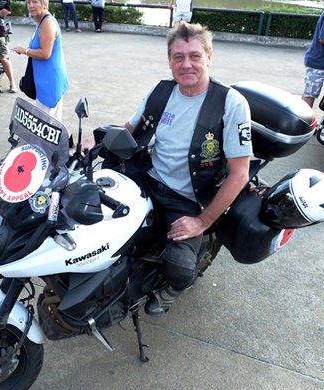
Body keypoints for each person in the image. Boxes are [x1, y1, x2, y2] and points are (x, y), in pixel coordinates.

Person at [96, 22, 252, 315]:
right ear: (169, 60)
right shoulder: (161, 90)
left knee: (179, 268)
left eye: (195, 56)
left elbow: (240, 173)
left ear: (209, 57)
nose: (186, 64)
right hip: (147, 178)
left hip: (188, 198)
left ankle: (171, 290)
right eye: (178, 57)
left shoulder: (231, 103)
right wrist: (85, 144)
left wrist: (203, 221)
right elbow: (129, 128)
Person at [12, 0, 69, 121]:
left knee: (44, 124)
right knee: (51, 123)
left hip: (49, 81)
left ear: (44, 4)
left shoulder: (47, 23)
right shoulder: (41, 21)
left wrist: (25, 50)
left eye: (35, 2)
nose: (31, 6)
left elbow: (45, 53)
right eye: (28, 3)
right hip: (45, 79)